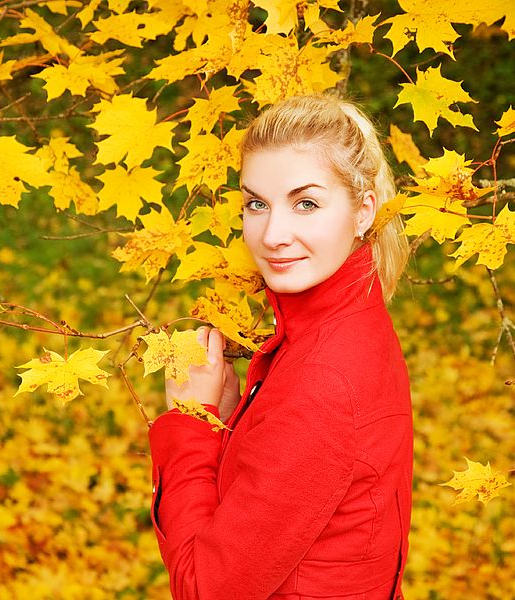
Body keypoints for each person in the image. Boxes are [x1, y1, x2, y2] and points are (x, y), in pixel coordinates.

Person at [147, 91, 413, 600]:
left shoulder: (322, 378)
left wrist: (190, 420)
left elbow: (207, 589)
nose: (273, 234)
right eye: (256, 204)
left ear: (363, 212)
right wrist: (232, 423)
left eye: (306, 203)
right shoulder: (350, 321)